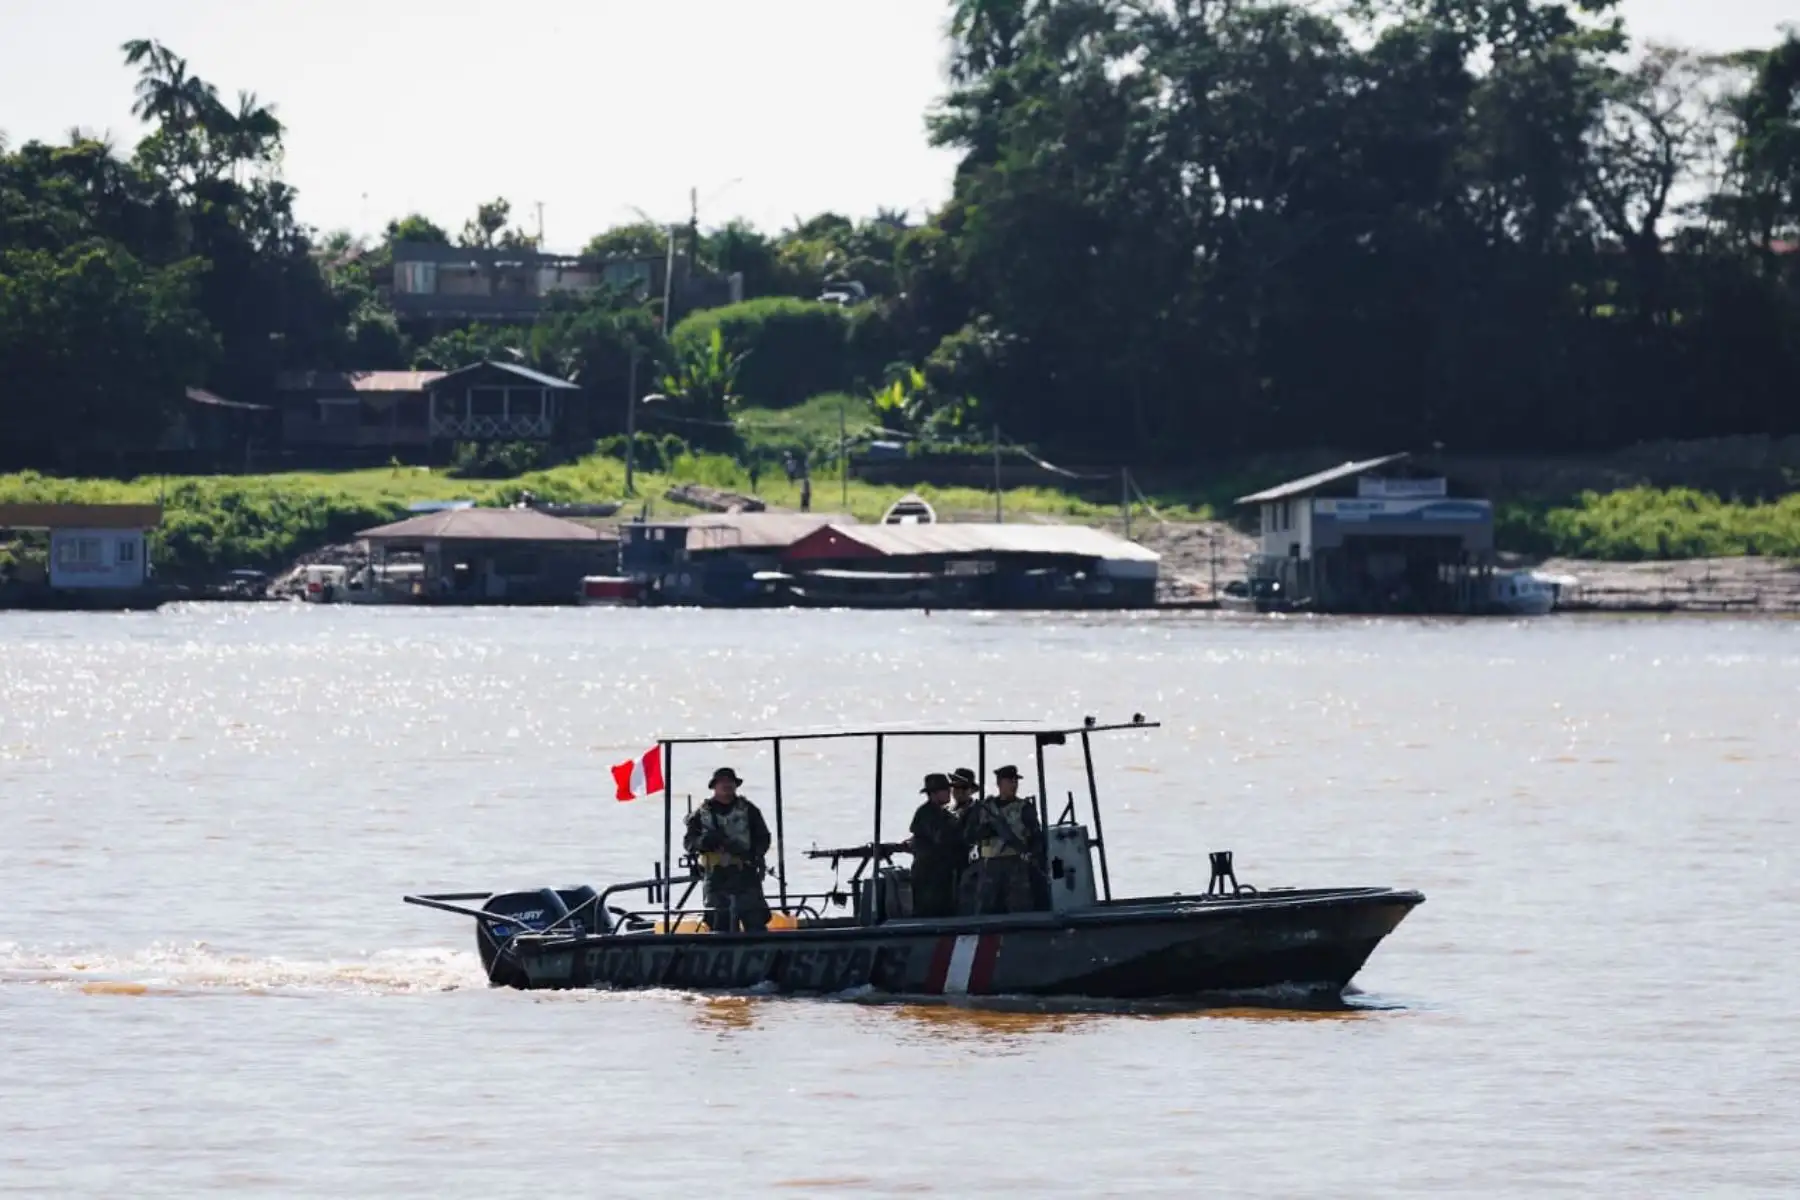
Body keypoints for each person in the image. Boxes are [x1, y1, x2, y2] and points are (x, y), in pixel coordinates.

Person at [683, 767, 773, 933]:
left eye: (730, 781)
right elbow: (689, 843)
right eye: (722, 781)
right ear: (714, 786)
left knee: (755, 922)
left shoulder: (749, 810)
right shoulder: (701, 814)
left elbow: (764, 838)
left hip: (745, 874)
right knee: (718, 924)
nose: (726, 785)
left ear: (735, 785)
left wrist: (754, 854)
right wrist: (705, 842)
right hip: (716, 877)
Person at [961, 765, 1042, 915]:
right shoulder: (984, 808)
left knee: (1020, 908)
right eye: (1009, 781)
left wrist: (1032, 854)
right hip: (989, 864)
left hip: (1015, 863)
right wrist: (985, 831)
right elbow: (968, 836)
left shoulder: (1024, 808)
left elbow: (1036, 836)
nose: (1014, 785)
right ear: (999, 783)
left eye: (1015, 781)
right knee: (985, 908)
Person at [906, 773, 964, 919]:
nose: (949, 792)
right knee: (928, 911)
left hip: (943, 874)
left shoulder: (945, 814)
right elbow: (940, 838)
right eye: (944, 789)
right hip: (928, 873)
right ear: (933, 794)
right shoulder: (925, 813)